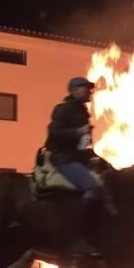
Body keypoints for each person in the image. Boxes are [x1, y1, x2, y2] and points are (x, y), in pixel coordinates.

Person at [44, 77, 114, 249]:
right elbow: (53, 132)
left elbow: (82, 146)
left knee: (110, 179)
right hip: (63, 159)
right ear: (75, 90)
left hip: (77, 159)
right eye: (86, 88)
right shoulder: (63, 109)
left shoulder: (82, 112)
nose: (90, 91)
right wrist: (78, 132)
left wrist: (99, 159)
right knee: (93, 187)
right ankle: (79, 233)